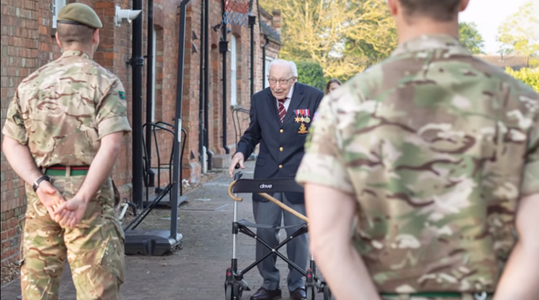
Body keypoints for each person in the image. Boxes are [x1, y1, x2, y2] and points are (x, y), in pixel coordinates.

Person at [295, 0, 539, 299]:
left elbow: (327, 242)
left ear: (392, 5)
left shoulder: (343, 107)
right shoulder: (523, 105)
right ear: (463, 3)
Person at [1, 3, 132, 299]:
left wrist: (40, 184)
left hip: (43, 198)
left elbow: (11, 142)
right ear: (96, 36)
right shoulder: (105, 83)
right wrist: (83, 196)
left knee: (37, 291)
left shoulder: (29, 84)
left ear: (58, 39)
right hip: (89, 198)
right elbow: (111, 144)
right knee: (96, 290)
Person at [229, 59, 324, 300]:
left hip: (299, 177)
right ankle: (270, 284)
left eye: (282, 81)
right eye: (272, 80)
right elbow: (252, 134)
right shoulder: (260, 99)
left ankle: (297, 284)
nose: (277, 86)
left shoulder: (313, 97)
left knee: (298, 233)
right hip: (266, 177)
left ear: (294, 79)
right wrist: (241, 152)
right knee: (265, 232)